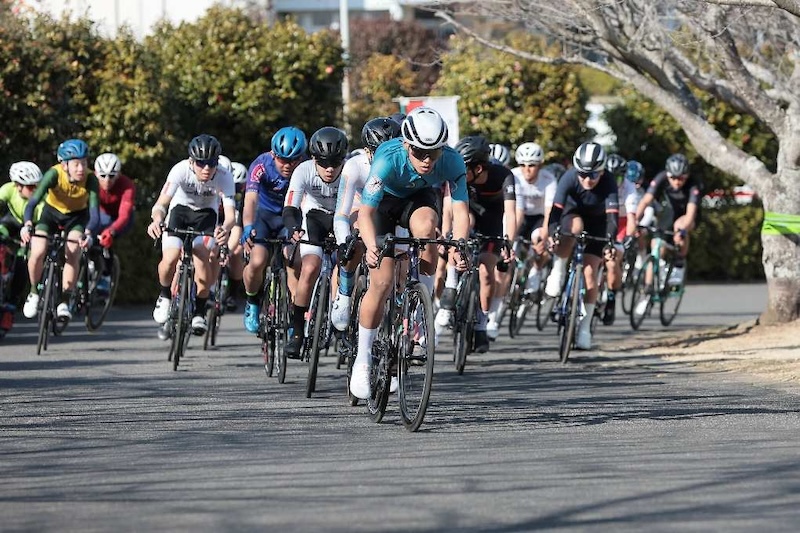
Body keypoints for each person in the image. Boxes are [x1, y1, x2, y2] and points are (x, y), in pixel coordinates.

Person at [349, 107, 471, 400]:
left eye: (434, 153)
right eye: (420, 153)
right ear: (407, 145)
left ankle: (416, 313)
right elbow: (365, 212)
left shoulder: (452, 161)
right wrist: (371, 246)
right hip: (384, 205)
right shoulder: (387, 159)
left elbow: (460, 209)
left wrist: (459, 245)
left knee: (428, 243)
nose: (428, 160)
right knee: (382, 280)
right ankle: (362, 360)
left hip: (419, 200)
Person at [146, 134, 236, 335]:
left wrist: (225, 229)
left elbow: (230, 215)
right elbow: (161, 203)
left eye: (211, 163)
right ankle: (164, 296)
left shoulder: (224, 175)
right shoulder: (179, 170)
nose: (206, 169)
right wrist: (157, 220)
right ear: (191, 162)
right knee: (170, 258)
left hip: (205, 215)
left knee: (203, 259)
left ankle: (199, 312)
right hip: (180, 211)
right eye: (201, 163)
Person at [436, 135, 516, 350]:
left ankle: (481, 323)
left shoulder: (503, 176)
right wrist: (445, 235)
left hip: (492, 220)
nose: (459, 171)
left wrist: (509, 242)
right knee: (461, 231)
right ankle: (451, 287)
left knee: (486, 270)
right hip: (467, 214)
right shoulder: (457, 175)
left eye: (465, 167)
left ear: (478, 169)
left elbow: (510, 212)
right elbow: (448, 208)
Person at [543, 141, 619, 351]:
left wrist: (610, 241)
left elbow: (613, 218)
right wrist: (552, 233)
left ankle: (584, 329)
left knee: (590, 276)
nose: (587, 179)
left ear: (602, 172)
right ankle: (558, 271)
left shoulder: (610, 182)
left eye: (593, 175)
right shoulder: (568, 177)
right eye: (582, 174)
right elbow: (556, 211)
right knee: (574, 227)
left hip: (598, 223)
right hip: (572, 215)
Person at [282, 126, 349, 358]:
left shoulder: (351, 170)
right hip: (314, 217)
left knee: (345, 269)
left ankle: (342, 328)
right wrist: (293, 228)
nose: (330, 169)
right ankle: (297, 332)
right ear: (313, 159)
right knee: (309, 268)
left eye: (335, 162)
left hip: (343, 216)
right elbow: (291, 206)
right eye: (323, 163)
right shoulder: (303, 171)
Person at [330, 116, 401, 332]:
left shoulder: (401, 165)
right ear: (367, 151)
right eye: (378, 151)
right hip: (360, 208)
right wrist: (344, 243)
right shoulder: (355, 166)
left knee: (403, 256)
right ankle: (343, 293)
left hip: (389, 210)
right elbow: (341, 213)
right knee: (356, 242)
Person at [20, 139, 99, 321]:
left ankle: (64, 300)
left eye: (84, 163)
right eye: (77, 164)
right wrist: (28, 224)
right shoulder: (53, 174)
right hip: (51, 216)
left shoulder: (90, 179)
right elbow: (32, 203)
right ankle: (33, 292)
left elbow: (94, 214)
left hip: (76, 218)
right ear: (64, 165)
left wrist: (87, 233)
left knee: (72, 252)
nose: (81, 168)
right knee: (38, 251)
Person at [241, 126, 307, 334]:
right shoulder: (260, 165)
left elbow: (307, 202)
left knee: (294, 263)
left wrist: (300, 229)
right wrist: (247, 226)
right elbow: (250, 200)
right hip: (265, 216)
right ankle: (252, 301)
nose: (288, 165)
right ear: (273, 155)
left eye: (293, 160)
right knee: (258, 261)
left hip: (291, 217)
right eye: (282, 160)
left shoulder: (305, 167)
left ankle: (293, 315)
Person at [634, 153, 701, 299]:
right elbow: (645, 201)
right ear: (668, 175)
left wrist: (682, 231)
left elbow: (690, 214)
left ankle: (679, 263)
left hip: (687, 215)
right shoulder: (661, 178)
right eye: (673, 178)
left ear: (687, 176)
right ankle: (648, 286)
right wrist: (634, 221)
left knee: (679, 226)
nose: (677, 182)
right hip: (669, 213)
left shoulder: (693, 185)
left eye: (681, 178)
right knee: (656, 247)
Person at [0, 162, 43, 336]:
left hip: (33, 227)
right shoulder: (8, 189)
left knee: (23, 261)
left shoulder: (41, 199)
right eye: (31, 186)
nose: (35, 190)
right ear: (18, 186)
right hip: (11, 223)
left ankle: (10, 306)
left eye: (37, 185)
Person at [511, 142, 557, 297]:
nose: (527, 170)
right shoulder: (514, 176)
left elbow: (549, 210)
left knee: (541, 241)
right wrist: (509, 239)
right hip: (518, 214)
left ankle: (536, 271)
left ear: (540, 165)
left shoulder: (549, 179)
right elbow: (517, 210)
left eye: (532, 165)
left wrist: (545, 234)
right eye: (522, 165)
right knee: (509, 242)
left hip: (539, 217)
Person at [94, 152, 136, 293]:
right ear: (95, 173)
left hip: (121, 217)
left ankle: (106, 275)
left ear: (118, 174)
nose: (107, 180)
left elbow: (124, 215)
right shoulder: (91, 182)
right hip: (101, 213)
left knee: (106, 240)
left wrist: (111, 231)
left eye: (111, 176)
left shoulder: (127, 185)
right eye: (103, 176)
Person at [224, 161, 248, 310]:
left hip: (236, 224)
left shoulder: (243, 199)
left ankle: (232, 293)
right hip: (217, 221)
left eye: (239, 187)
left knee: (237, 252)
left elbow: (237, 229)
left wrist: (228, 251)